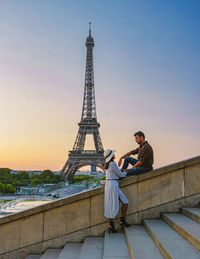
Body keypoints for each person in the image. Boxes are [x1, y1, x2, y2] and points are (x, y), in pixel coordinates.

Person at [104, 149, 130, 233]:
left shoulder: (106, 165)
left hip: (108, 185)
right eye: (113, 154)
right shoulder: (112, 164)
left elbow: (114, 174)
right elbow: (120, 175)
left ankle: (110, 224)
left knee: (109, 204)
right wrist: (125, 172)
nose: (115, 155)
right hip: (113, 186)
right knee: (125, 202)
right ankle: (122, 220)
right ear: (112, 156)